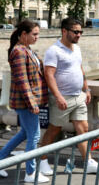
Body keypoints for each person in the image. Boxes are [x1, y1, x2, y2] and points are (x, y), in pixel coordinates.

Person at [38, 18, 99, 175]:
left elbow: (80, 69)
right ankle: (41, 160)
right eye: (76, 32)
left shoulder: (77, 48)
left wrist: (87, 89)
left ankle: (88, 161)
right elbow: (49, 75)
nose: (79, 35)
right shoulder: (54, 50)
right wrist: (58, 96)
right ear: (64, 31)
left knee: (83, 128)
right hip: (62, 97)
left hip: (78, 96)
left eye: (81, 32)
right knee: (54, 129)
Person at [0, 20, 49, 183]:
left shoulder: (26, 49)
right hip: (26, 102)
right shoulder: (19, 51)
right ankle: (30, 173)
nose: (37, 37)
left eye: (38, 34)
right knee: (34, 136)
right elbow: (22, 80)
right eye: (34, 34)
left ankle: (0, 161)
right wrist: (32, 103)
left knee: (24, 134)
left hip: (29, 101)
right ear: (23, 34)